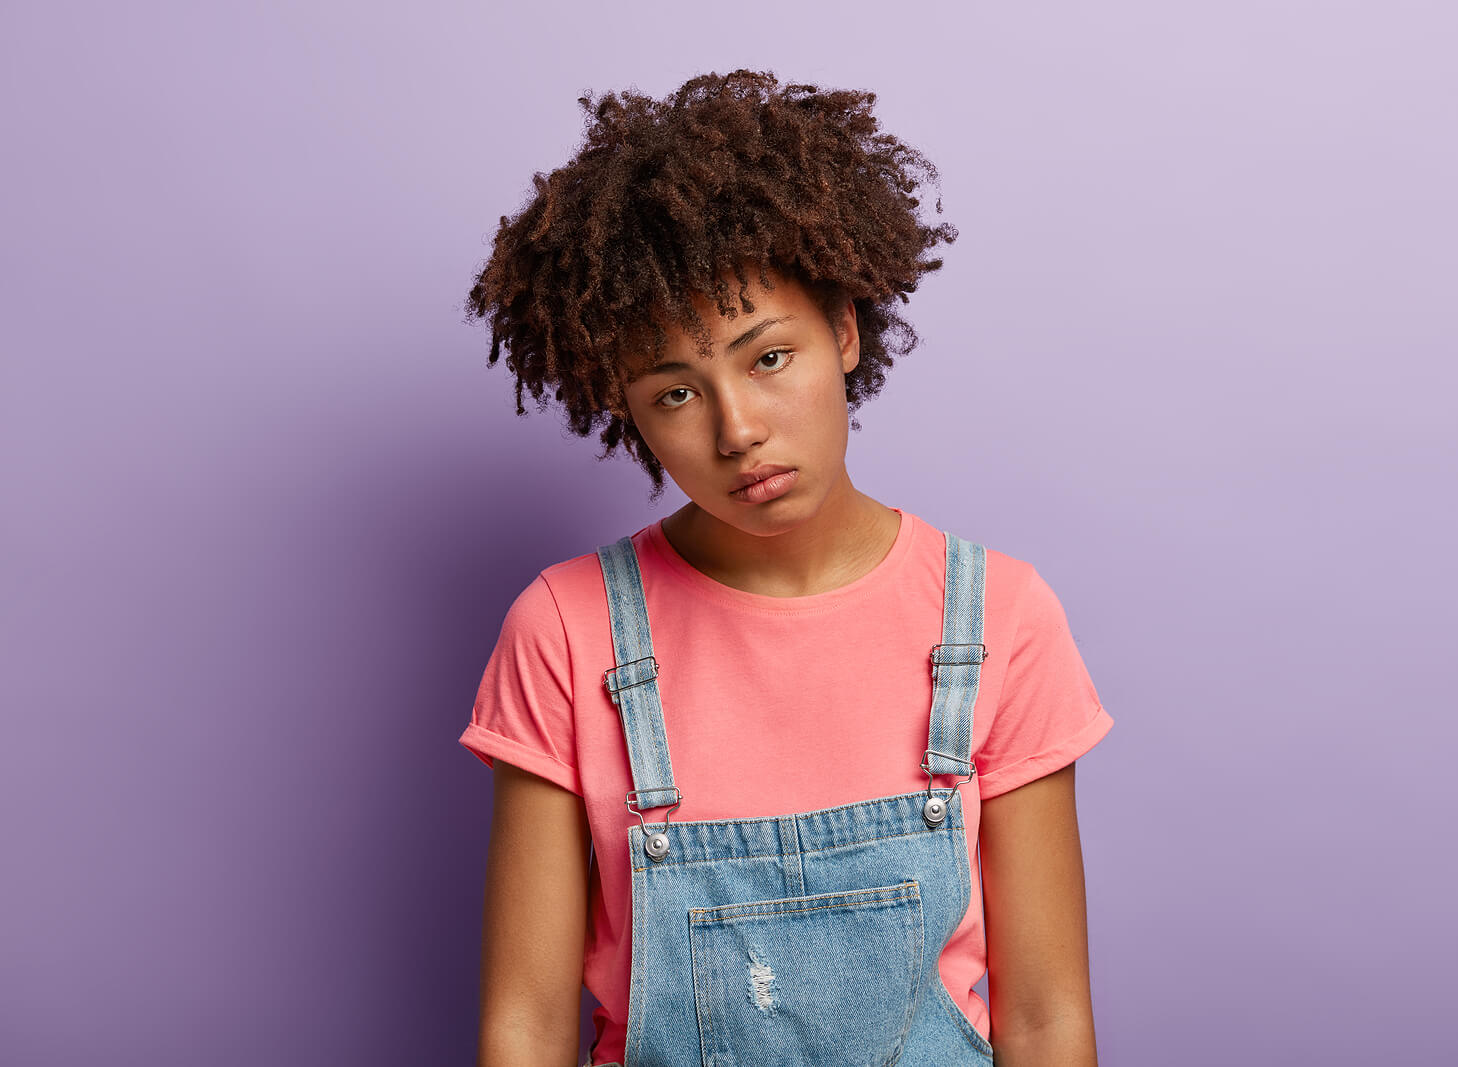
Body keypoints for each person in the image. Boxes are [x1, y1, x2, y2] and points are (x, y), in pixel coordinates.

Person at [457, 69, 1114, 1067]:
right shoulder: (566, 627)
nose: (738, 430)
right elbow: (528, 1023)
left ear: (843, 332)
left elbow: (1044, 1019)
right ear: (626, 411)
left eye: (768, 358)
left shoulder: (999, 619)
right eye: (676, 391)